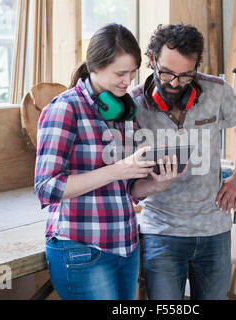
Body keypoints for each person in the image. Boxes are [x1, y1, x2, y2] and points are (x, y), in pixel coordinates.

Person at [34, 23, 184, 300]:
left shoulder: (124, 110)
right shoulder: (65, 109)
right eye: (120, 73)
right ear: (95, 67)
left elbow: (124, 190)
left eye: (133, 72)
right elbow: (46, 187)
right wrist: (118, 169)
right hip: (82, 248)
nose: (128, 81)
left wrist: (155, 185)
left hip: (125, 246)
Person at [130, 24, 236, 300]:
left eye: (185, 76)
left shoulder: (217, 91)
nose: (174, 83)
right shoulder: (133, 105)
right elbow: (126, 179)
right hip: (161, 233)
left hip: (214, 230)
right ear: (151, 59)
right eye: (166, 73)